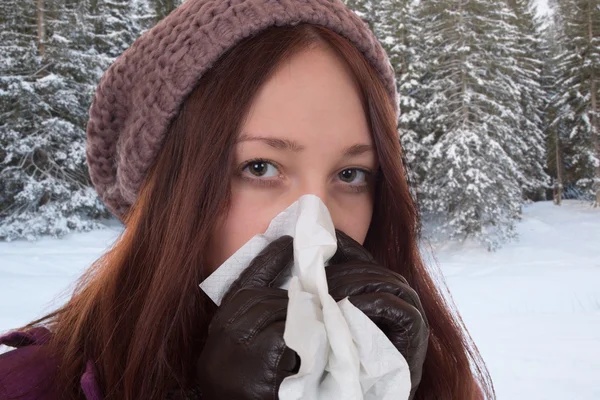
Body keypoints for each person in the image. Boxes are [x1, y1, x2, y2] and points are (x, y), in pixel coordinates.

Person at [0, 0, 494, 399]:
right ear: (171, 189)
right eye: (259, 168)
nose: (314, 226)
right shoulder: (29, 384)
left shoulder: (429, 373)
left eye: (351, 174)